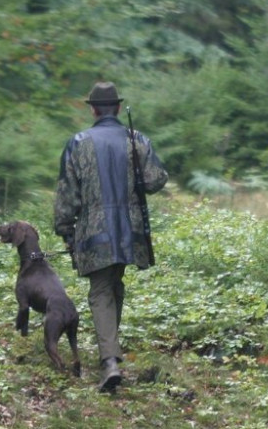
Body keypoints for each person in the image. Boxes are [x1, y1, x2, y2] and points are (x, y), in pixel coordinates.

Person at [54, 82, 168, 392]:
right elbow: (156, 180)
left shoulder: (78, 143)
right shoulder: (137, 140)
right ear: (117, 108)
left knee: (102, 290)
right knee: (113, 285)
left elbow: (68, 194)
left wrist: (65, 228)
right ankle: (111, 354)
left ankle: (109, 363)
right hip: (130, 231)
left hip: (94, 231)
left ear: (92, 109)